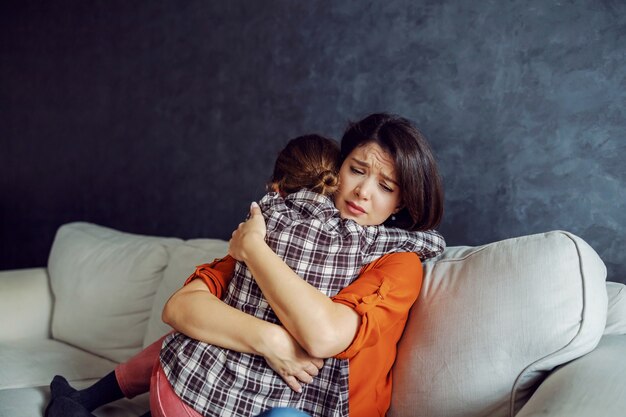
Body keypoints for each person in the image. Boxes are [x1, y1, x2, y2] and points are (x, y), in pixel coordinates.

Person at [46, 113, 445, 417]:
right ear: (337, 169)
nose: (362, 191)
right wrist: (271, 341)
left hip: (317, 407)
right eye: (356, 170)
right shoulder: (283, 225)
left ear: (402, 202)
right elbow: (181, 309)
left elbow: (324, 337)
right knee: (199, 337)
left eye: (385, 186)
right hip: (233, 385)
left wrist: (254, 249)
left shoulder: (398, 262)